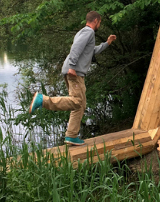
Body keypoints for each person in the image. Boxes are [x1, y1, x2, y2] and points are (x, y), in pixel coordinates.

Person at [28, 11, 116, 145]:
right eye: (100, 22)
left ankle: (71, 135)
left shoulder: (83, 32)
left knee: (80, 104)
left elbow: (91, 51)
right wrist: (72, 66)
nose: (100, 24)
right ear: (96, 20)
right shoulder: (89, 32)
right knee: (76, 102)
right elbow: (76, 47)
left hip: (74, 70)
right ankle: (43, 100)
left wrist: (107, 43)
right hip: (75, 72)